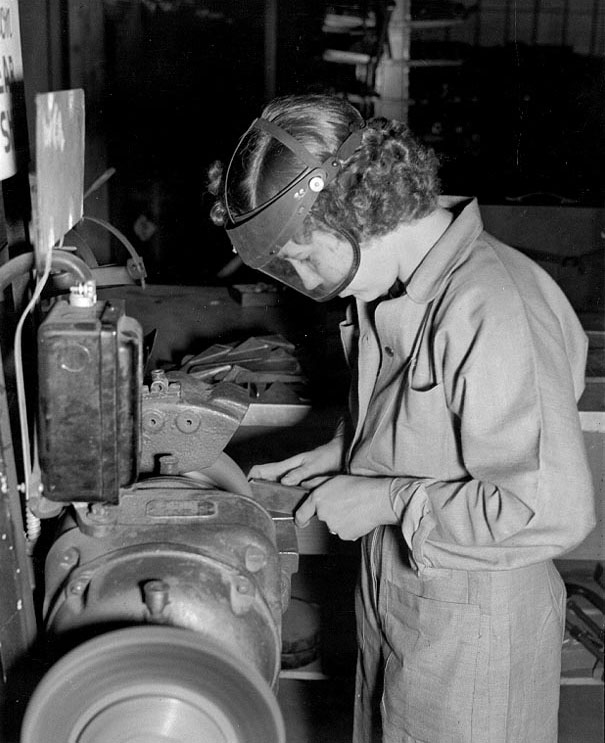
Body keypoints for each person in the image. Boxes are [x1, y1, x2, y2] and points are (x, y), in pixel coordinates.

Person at [208, 94, 596, 743]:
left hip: (476, 624)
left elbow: (549, 509)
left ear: (356, 214)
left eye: (306, 257)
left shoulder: (490, 306)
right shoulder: (395, 288)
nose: (306, 280)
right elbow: (431, 416)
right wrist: (348, 449)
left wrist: (385, 497)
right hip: (402, 594)